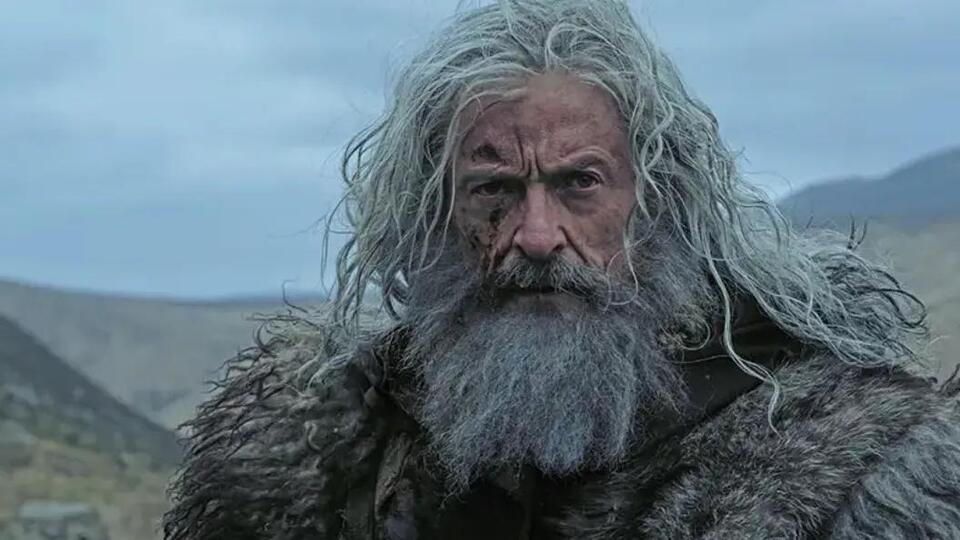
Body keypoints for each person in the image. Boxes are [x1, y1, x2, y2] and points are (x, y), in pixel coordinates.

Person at [163, 1, 960, 538]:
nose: (538, 236)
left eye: (579, 183)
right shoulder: (318, 462)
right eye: (493, 190)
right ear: (432, 214)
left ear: (657, 202)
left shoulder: (850, 474)